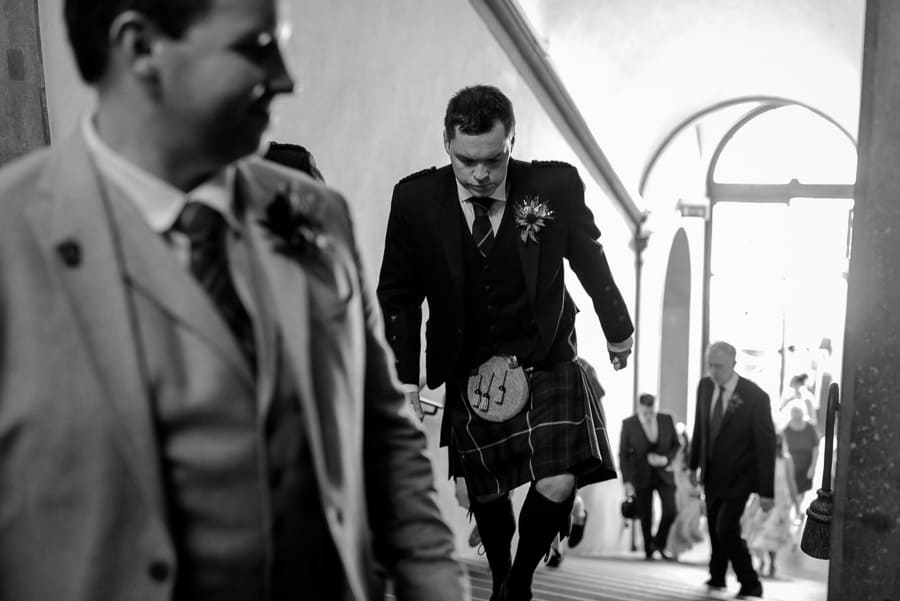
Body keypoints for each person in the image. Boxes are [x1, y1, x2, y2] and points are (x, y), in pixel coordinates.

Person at [0, 2, 467, 600]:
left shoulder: (317, 214)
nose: (286, 78)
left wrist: (435, 586)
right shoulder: (14, 236)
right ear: (141, 48)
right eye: (257, 46)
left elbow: (384, 435)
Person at [377, 85, 634, 601]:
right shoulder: (415, 200)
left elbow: (589, 257)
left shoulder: (553, 186)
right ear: (446, 143)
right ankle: (501, 578)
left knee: (559, 481)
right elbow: (399, 292)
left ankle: (517, 586)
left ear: (512, 141)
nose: (480, 174)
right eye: (465, 160)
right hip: (469, 363)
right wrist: (407, 375)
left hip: (547, 355)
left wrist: (618, 328)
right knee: (480, 489)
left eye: (494, 160)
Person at [689, 341, 776, 600]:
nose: (714, 371)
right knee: (714, 525)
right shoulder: (704, 387)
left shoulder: (755, 397)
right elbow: (699, 427)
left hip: (741, 476)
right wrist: (693, 465)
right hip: (711, 473)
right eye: (710, 365)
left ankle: (750, 581)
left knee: (726, 527)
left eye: (719, 366)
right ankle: (717, 575)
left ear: (734, 365)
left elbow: (766, 445)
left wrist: (766, 491)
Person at [619, 393, 679, 560]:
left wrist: (666, 458)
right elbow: (623, 455)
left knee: (671, 511)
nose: (648, 415)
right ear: (639, 407)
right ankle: (648, 549)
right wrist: (627, 481)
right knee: (646, 514)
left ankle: (658, 543)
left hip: (664, 474)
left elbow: (676, 444)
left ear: (655, 407)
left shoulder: (666, 419)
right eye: (645, 412)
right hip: (641, 475)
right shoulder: (629, 424)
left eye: (651, 411)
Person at [741, 433, 801, 579]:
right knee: (756, 531)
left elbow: (791, 481)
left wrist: (796, 502)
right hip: (762, 498)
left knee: (772, 533)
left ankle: (772, 563)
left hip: (780, 500)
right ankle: (761, 561)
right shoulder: (761, 457)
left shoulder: (786, 460)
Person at [665, 425, 705, 559]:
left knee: (687, 522)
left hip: (690, 493)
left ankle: (681, 550)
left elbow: (696, 475)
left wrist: (699, 490)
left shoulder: (691, 454)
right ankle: (675, 552)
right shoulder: (674, 453)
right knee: (678, 521)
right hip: (679, 493)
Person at [782, 404, 821, 502]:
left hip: (806, 466)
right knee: (790, 490)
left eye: (798, 416)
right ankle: (795, 510)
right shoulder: (785, 429)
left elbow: (816, 447)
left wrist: (813, 466)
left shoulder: (810, 428)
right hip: (790, 465)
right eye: (794, 416)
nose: (796, 418)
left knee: (801, 492)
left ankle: (797, 510)